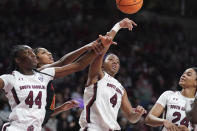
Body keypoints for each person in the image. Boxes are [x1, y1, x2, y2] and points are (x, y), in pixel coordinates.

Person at [0, 35, 113, 131]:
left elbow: (78, 65)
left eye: (33, 53)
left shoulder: (43, 75)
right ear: (18, 60)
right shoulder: (9, 78)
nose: (33, 55)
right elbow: (62, 62)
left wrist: (100, 46)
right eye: (28, 53)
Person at [79, 18, 147, 131]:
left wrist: (138, 114)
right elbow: (101, 51)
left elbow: (131, 117)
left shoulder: (121, 89)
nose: (115, 62)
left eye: (117, 62)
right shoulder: (97, 75)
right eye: (111, 59)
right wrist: (118, 26)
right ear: (102, 64)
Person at [34, 41, 105, 126]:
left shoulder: (43, 78)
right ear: (36, 60)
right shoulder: (39, 71)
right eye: (44, 53)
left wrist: (61, 108)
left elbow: (43, 114)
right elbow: (69, 64)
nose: (49, 53)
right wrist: (88, 47)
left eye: (48, 51)